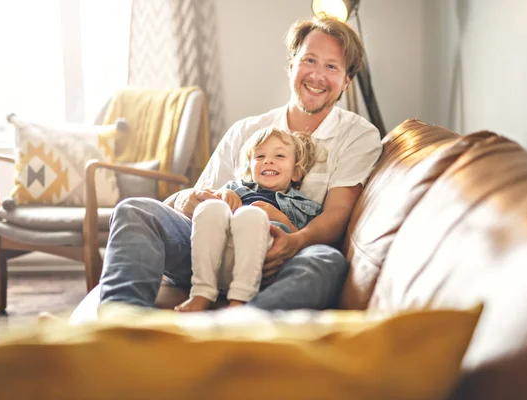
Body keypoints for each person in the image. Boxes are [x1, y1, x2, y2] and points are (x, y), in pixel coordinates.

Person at [85, 15, 382, 316]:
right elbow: (193, 198)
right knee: (134, 209)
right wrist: (187, 198)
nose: (317, 75)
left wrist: (294, 241)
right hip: (210, 254)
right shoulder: (246, 130)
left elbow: (336, 215)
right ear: (291, 66)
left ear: (346, 80)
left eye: (331, 66)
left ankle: (237, 323)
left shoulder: (358, 135)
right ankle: (119, 328)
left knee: (327, 262)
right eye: (309, 60)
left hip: (280, 261)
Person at [175, 127, 322, 312]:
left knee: (250, 215)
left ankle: (240, 299)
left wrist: (282, 219)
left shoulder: (303, 205)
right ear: (250, 169)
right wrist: (223, 194)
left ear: (296, 173)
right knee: (210, 206)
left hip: (260, 261)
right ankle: (201, 292)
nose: (268, 160)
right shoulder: (235, 188)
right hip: (219, 253)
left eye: (280, 156)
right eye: (260, 156)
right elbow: (212, 211)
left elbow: (303, 242)